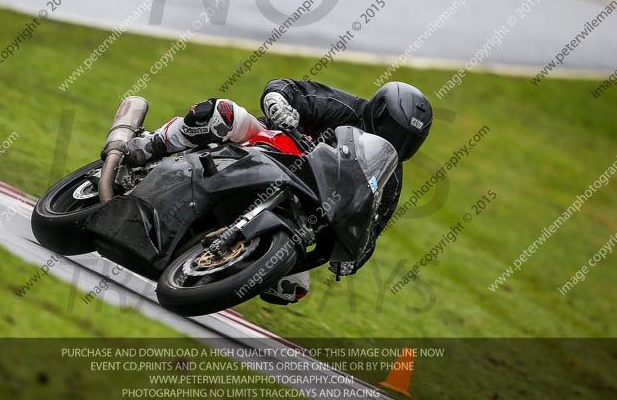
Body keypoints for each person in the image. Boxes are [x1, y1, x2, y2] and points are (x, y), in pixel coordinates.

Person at [124, 79, 433, 305]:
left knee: (290, 286)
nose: (398, 142)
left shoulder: (389, 177)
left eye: (407, 140)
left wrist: (354, 255)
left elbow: (371, 225)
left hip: (298, 210)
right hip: (268, 149)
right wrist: (279, 102)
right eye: (395, 131)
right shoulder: (344, 107)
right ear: (377, 113)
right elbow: (287, 87)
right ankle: (150, 147)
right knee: (222, 114)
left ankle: (211, 257)